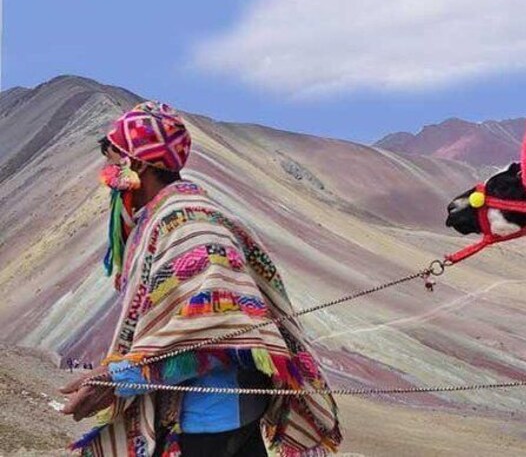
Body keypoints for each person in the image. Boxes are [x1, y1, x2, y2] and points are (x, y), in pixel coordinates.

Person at [60, 101, 342, 457]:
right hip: (219, 418)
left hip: (208, 425)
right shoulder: (178, 213)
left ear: (140, 164)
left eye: (114, 159)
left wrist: (119, 378)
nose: (108, 172)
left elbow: (213, 335)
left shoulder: (188, 224)